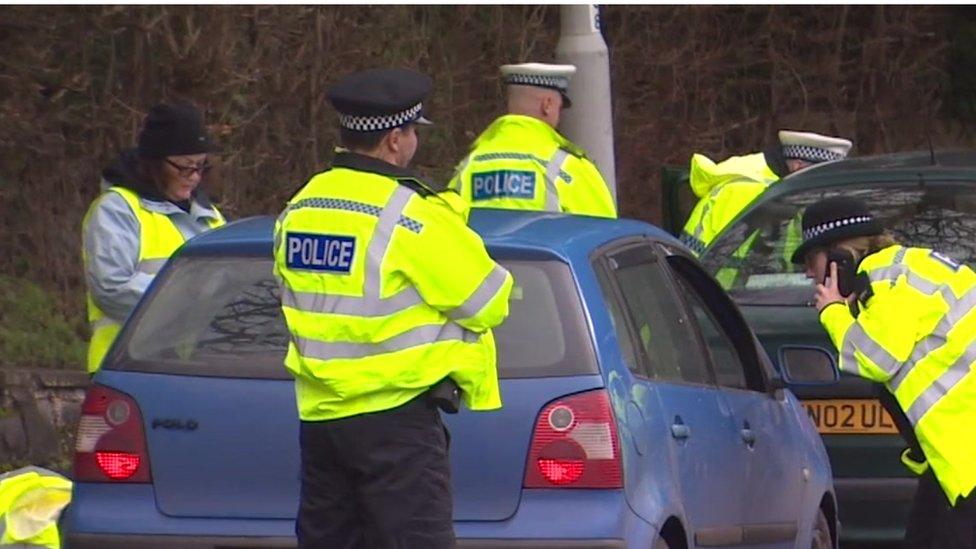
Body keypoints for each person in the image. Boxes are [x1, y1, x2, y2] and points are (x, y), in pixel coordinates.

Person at [273, 67, 514, 549]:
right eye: (412, 132)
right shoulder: (411, 213)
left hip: (321, 420)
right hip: (395, 421)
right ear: (394, 141)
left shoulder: (299, 208)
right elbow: (490, 301)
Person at [795, 196, 976, 548]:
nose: (807, 273)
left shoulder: (886, 279)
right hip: (952, 461)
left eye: (809, 259)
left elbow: (877, 358)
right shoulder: (904, 270)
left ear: (838, 256)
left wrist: (832, 311)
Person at [82, 101, 225, 374]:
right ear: (155, 164)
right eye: (184, 167)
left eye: (201, 166)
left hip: (195, 370)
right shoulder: (118, 209)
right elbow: (111, 289)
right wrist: (190, 299)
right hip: (126, 368)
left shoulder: (209, 215)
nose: (194, 177)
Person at [448, 62, 617, 219]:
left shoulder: (469, 165)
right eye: (559, 108)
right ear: (547, 105)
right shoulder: (568, 169)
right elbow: (605, 237)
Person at [680, 130, 852, 256]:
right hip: (721, 294)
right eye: (818, 175)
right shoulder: (750, 191)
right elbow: (719, 258)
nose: (821, 186)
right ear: (798, 166)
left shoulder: (779, 189)